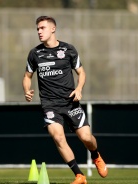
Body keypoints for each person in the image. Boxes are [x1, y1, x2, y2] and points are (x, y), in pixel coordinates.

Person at [22, 16, 108, 184]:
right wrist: (26, 90)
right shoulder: (35, 53)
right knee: (58, 137)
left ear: (53, 29)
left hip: (70, 102)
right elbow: (27, 76)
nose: (39, 31)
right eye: (37, 29)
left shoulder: (68, 49)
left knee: (86, 138)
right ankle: (79, 175)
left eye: (42, 28)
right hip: (49, 104)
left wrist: (78, 89)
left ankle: (96, 155)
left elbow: (81, 73)